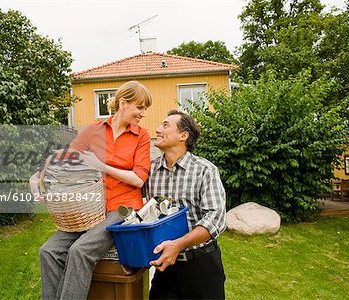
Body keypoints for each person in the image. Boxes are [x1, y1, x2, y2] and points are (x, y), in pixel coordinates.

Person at [31, 81, 152, 300]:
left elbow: (138, 179)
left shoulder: (141, 136)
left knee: (81, 251)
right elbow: (65, 159)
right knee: (48, 251)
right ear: (123, 103)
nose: (143, 113)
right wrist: (36, 177)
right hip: (89, 209)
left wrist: (101, 166)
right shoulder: (94, 130)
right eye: (140, 107)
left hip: (122, 209)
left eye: (145, 109)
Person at [146, 110, 227, 300]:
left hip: (201, 266)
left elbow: (216, 218)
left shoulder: (205, 170)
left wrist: (179, 244)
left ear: (183, 136)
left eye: (165, 125)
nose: (157, 129)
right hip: (165, 269)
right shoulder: (150, 171)